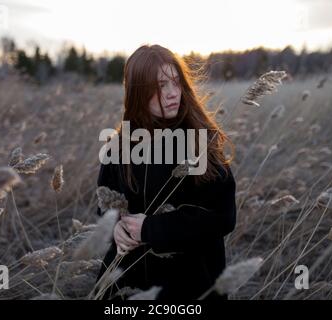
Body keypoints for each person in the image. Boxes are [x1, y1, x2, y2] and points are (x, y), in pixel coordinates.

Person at [95, 44, 237, 300]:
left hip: (189, 285)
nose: (173, 93)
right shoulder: (119, 145)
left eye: (175, 82)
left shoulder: (198, 140)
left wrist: (152, 228)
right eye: (160, 86)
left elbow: (223, 217)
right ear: (138, 92)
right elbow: (106, 203)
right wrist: (115, 227)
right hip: (129, 283)